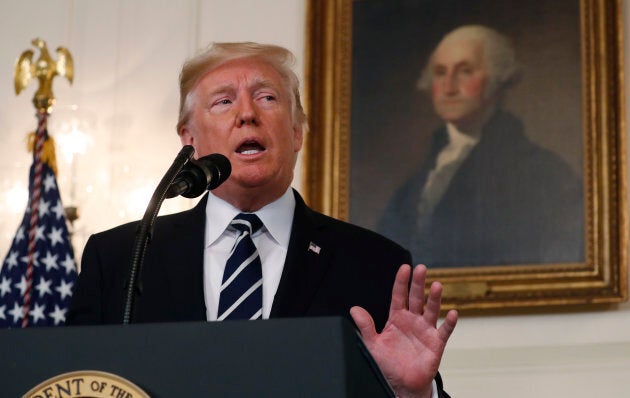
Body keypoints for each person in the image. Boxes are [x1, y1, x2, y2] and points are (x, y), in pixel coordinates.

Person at [66, 42, 458, 398]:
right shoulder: (119, 258)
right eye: (223, 102)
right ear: (190, 141)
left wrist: (409, 395)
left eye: (267, 97)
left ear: (296, 131)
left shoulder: (376, 263)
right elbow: (70, 383)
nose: (247, 114)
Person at [379, 25, 584, 268]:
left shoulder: (545, 173)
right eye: (440, 72)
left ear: (497, 78)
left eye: (465, 71)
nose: (449, 87)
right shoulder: (412, 187)